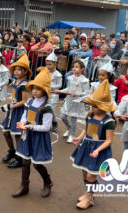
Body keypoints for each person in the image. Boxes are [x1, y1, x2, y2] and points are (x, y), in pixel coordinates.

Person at [71, 80, 116, 210]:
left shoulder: (109, 122)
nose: (92, 108)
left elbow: (109, 141)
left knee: (92, 175)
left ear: (104, 107)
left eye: (95, 106)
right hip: (86, 147)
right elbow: (86, 129)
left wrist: (98, 150)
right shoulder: (90, 115)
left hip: (99, 151)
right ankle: (87, 193)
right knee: (85, 172)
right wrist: (78, 138)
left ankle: (89, 198)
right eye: (92, 105)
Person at [13, 68, 54, 198]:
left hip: (39, 137)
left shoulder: (47, 108)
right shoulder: (30, 102)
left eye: (38, 89)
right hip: (28, 135)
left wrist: (30, 127)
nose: (35, 91)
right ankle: (24, 186)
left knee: (36, 163)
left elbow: (46, 127)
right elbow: (25, 115)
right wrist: (22, 123)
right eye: (34, 88)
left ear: (45, 91)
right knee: (25, 161)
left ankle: (48, 182)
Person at [1, 54, 31, 168]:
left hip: (19, 111)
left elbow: (24, 101)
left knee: (17, 135)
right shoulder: (15, 81)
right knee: (5, 132)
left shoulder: (24, 84)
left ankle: (19, 159)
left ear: (25, 71)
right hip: (12, 109)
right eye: (16, 69)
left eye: (20, 70)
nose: (17, 72)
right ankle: (12, 151)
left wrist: (10, 106)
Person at [55, 60, 89, 143]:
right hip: (69, 100)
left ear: (82, 69)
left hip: (77, 102)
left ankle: (72, 134)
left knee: (73, 118)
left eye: (77, 67)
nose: (74, 68)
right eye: (73, 66)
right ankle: (69, 129)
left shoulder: (84, 80)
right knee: (63, 116)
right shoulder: (70, 77)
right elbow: (68, 89)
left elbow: (87, 92)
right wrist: (60, 91)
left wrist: (77, 94)